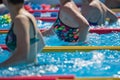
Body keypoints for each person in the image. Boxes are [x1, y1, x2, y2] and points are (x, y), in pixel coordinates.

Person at [0, 0, 45, 67]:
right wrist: (31, 60)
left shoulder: (20, 19)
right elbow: (41, 44)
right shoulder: (28, 16)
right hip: (30, 70)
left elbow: (22, 55)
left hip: (23, 72)